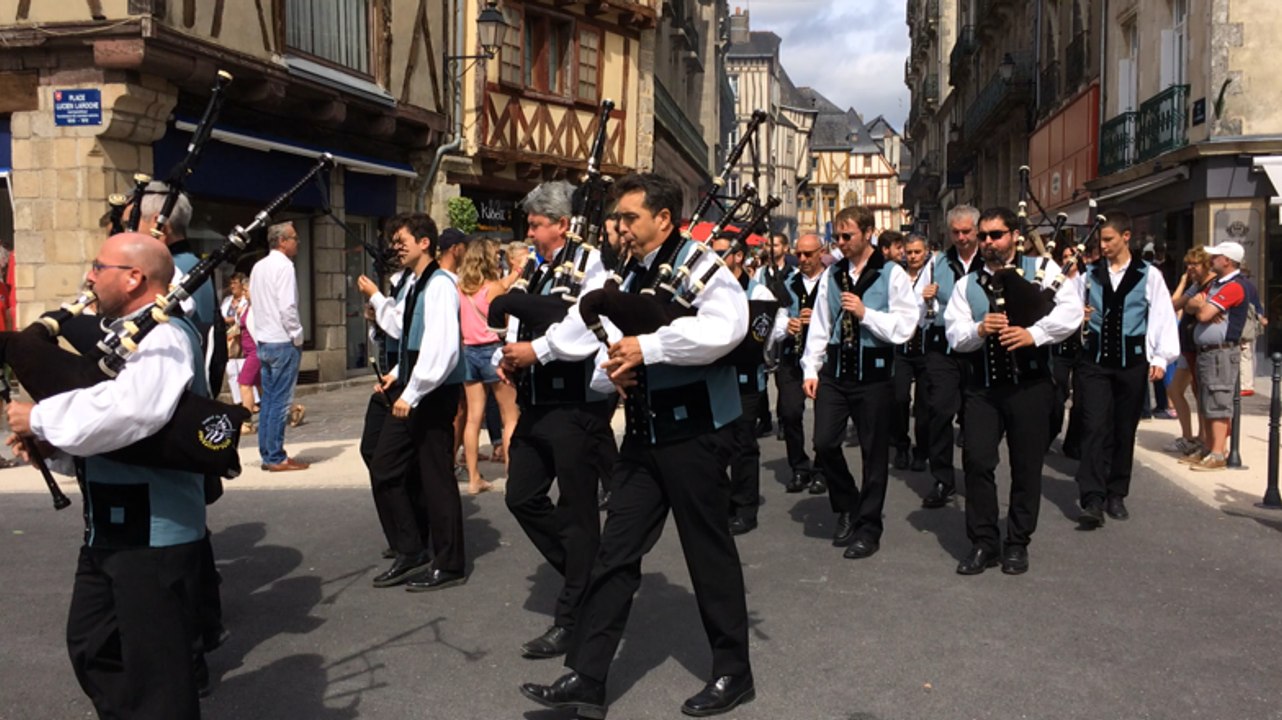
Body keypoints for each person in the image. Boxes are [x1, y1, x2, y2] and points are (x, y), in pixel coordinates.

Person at [519, 173, 754, 719]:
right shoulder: (633, 271)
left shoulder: (701, 265)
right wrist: (614, 373)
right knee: (615, 552)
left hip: (696, 432)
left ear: (663, 219)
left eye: (630, 217)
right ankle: (587, 676)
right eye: (618, 217)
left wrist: (648, 348)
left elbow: (726, 330)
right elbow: (602, 337)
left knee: (708, 553)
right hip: (646, 434)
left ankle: (733, 672)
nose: (620, 227)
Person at [6, 233, 206, 719]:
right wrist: (54, 449)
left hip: (154, 532)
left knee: (156, 678)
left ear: (134, 277)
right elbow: (120, 436)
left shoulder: (166, 337)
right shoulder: (129, 336)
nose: (89, 276)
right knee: (93, 645)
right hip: (112, 528)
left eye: (99, 267)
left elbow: (132, 413)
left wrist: (40, 419)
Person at [496, 180, 618, 659]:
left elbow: (589, 325)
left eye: (536, 224)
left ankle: (572, 617)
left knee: (577, 513)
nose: (529, 232)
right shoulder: (537, 269)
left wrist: (538, 352)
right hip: (536, 404)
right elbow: (516, 324)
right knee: (521, 496)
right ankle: (587, 575)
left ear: (563, 224)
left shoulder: (594, 264)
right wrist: (506, 357)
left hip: (576, 407)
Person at [943, 207, 1083, 575]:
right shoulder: (966, 285)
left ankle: (1018, 542)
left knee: (1026, 466)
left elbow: (1071, 313)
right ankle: (984, 542)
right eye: (983, 236)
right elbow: (954, 333)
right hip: (983, 388)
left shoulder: (1043, 271)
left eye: (996, 235)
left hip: (1030, 387)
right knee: (977, 462)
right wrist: (979, 329)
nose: (988, 242)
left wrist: (1033, 334)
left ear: (1014, 236)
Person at [801, 206, 919, 560]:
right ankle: (848, 503)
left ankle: (868, 527)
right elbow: (821, 323)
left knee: (874, 453)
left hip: (875, 375)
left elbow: (905, 326)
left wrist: (866, 314)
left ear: (868, 233)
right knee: (823, 443)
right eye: (837, 236)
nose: (840, 242)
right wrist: (811, 368)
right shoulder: (832, 273)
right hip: (836, 372)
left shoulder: (891, 273)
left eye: (847, 235)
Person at [365, 214, 469, 591]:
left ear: (425, 243)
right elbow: (403, 329)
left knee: (435, 476)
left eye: (402, 240)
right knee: (388, 465)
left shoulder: (439, 284)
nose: (396, 248)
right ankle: (411, 549)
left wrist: (412, 392)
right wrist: (377, 302)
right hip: (417, 389)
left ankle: (448, 562)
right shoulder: (414, 283)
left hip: (432, 393)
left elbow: (442, 348)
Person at [1073, 212, 1179, 527]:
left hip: (1131, 363)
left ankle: (1116, 492)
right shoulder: (1089, 274)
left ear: (1126, 237)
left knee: (1124, 428)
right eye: (1100, 240)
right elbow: (1068, 310)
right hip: (1094, 362)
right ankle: (1092, 497)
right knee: (1093, 427)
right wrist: (1079, 315)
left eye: (1109, 239)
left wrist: (1160, 358)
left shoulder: (1149, 274)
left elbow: (1161, 315)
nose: (1103, 245)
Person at [917, 205, 984, 508]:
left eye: (966, 231)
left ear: (977, 230)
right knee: (939, 412)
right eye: (955, 232)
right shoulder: (936, 263)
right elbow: (916, 310)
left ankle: (976, 476)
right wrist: (924, 298)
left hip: (978, 348)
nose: (961, 237)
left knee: (975, 417)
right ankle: (943, 478)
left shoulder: (989, 261)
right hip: (942, 347)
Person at [712, 231, 777, 535]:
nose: (715, 260)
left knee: (743, 445)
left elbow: (767, 332)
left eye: (721, 253)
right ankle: (722, 501)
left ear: (738, 256)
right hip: (715, 377)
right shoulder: (710, 290)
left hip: (746, 378)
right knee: (715, 444)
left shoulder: (758, 292)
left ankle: (745, 508)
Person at [1182, 241, 1261, 471]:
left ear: (1227, 261)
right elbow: (1189, 305)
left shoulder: (1235, 286)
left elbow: (1204, 314)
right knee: (1206, 400)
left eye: (1216, 256)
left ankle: (1218, 452)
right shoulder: (1217, 284)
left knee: (1218, 401)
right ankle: (1208, 447)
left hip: (1221, 353)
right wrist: (1200, 305)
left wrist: (1202, 306)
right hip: (1207, 352)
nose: (1211, 260)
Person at [457, 236, 521, 495]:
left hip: (468, 352)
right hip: (492, 351)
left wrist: (514, 274)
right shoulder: (494, 288)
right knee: (510, 415)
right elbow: (503, 324)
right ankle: (512, 476)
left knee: (473, 418)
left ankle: (474, 478)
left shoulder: (461, 287)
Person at [248, 221, 309, 472]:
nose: (298, 242)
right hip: (282, 340)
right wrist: (297, 334)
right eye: (294, 238)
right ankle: (275, 456)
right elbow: (287, 306)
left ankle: (268, 452)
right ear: (282, 241)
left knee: (269, 400)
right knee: (280, 401)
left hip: (265, 339)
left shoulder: (258, 266)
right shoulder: (284, 267)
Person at [775, 233, 827, 494]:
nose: (803, 259)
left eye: (808, 254)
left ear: (821, 252)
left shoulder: (832, 281)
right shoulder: (787, 283)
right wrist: (789, 324)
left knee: (825, 418)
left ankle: (822, 469)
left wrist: (818, 318)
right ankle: (799, 467)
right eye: (799, 254)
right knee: (790, 412)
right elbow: (775, 319)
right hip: (792, 357)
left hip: (824, 360)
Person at [1166, 247, 1212, 456]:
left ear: (1206, 264)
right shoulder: (1196, 285)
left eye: (1195, 264)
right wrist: (1184, 283)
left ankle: (1202, 439)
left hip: (1199, 347)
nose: (1190, 268)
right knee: (1176, 390)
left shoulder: (1212, 284)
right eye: (1188, 264)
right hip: (1187, 347)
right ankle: (1189, 437)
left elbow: (1200, 308)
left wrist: (1192, 305)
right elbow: (1175, 305)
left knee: (1199, 393)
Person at [891, 233, 931, 471]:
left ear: (926, 252)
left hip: (925, 347)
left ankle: (922, 450)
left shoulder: (932, 275)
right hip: (902, 348)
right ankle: (901, 446)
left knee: (924, 405)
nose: (913, 256)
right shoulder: (897, 276)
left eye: (918, 252)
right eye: (909, 252)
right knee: (899, 399)